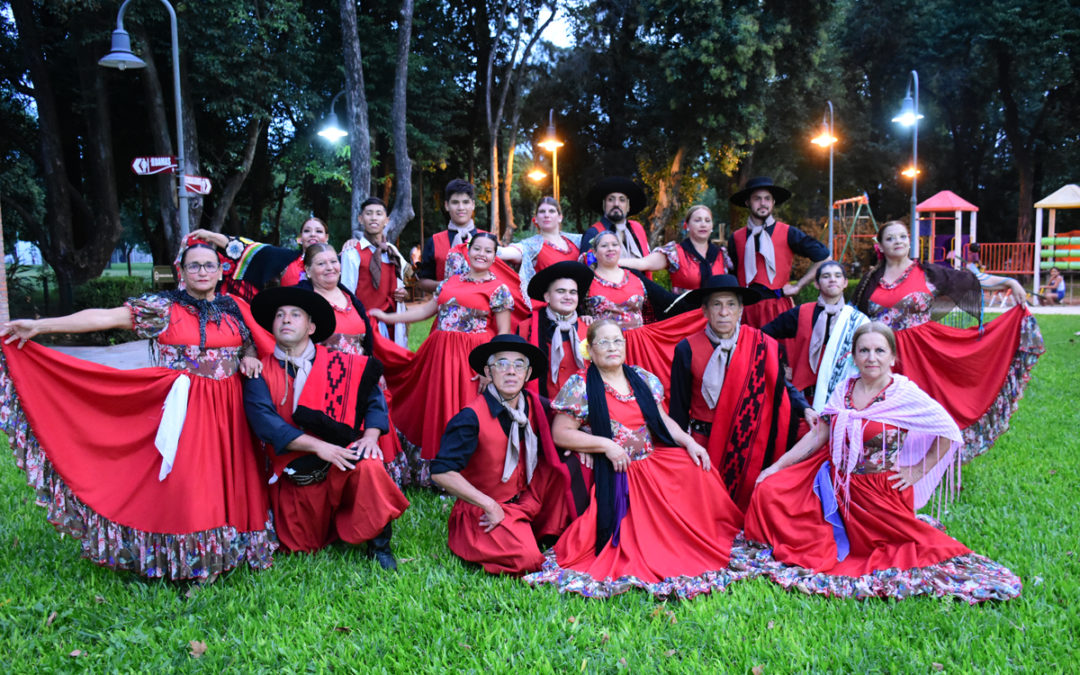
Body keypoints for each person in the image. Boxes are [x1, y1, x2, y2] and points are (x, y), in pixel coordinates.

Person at [0, 242, 275, 581]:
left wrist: (248, 353)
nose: (202, 272)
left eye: (209, 266)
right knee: (190, 484)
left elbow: (252, 338)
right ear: (181, 273)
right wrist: (42, 327)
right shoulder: (162, 308)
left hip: (232, 408)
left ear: (221, 273)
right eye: (194, 266)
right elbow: (106, 317)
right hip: (185, 408)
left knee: (230, 477)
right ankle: (190, 561)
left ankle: (233, 550)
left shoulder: (234, 306)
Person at [743, 322, 1021, 603]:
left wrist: (918, 470)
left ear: (892, 357)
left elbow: (948, 431)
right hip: (833, 482)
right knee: (770, 489)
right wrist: (777, 467)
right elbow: (818, 437)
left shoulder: (903, 394)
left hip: (878, 492)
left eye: (879, 350)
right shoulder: (845, 389)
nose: (871, 358)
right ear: (853, 356)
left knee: (906, 550)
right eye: (864, 350)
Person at [524, 320, 746, 599]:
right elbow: (561, 432)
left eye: (617, 341)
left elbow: (662, 420)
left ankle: (708, 533)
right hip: (620, 470)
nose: (612, 347)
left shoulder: (641, 378)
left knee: (697, 468)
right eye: (603, 342)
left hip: (652, 459)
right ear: (590, 350)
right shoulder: (580, 384)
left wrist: (689, 442)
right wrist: (605, 444)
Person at [850, 220, 1045, 461]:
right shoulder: (870, 280)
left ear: (910, 241)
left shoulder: (929, 273)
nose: (898, 242)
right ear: (880, 245)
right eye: (890, 238)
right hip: (880, 357)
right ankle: (884, 463)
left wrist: (1010, 282)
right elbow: (853, 317)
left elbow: (972, 280)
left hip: (923, 354)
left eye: (902, 236)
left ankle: (927, 462)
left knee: (929, 405)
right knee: (884, 410)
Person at [243, 287, 408, 568]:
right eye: (280, 315)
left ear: (311, 326)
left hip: (339, 463)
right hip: (295, 472)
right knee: (302, 547)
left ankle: (380, 545)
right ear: (271, 326)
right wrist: (321, 447)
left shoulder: (339, 362)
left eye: (295, 315)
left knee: (368, 464)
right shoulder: (258, 370)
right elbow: (265, 423)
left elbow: (373, 398)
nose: (286, 320)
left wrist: (370, 436)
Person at [371, 233, 514, 482]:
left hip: (472, 357)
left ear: (495, 256)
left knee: (464, 410)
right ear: (467, 252)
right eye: (477, 249)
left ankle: (464, 473)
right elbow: (426, 311)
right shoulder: (449, 282)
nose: (481, 254)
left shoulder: (498, 289)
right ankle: (435, 472)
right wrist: (387, 318)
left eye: (488, 251)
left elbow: (503, 332)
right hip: (440, 353)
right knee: (438, 407)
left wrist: (489, 368)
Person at [431, 335, 576, 575]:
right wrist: (488, 504)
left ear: (527, 374)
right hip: (487, 510)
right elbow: (441, 472)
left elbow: (569, 419)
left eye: (519, 365)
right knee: (529, 560)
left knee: (573, 465)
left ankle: (538, 528)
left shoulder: (534, 403)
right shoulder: (470, 418)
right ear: (488, 371)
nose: (511, 371)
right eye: (502, 364)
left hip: (526, 497)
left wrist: (585, 444)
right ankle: (512, 534)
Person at [668, 274, 805, 511]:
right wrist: (680, 451)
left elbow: (781, 385)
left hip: (748, 443)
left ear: (741, 310)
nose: (724, 312)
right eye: (717, 305)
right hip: (704, 443)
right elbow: (678, 408)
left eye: (731, 304)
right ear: (705, 311)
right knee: (706, 510)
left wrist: (806, 407)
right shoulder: (686, 348)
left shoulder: (761, 344)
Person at [298, 242, 411, 487]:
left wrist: (372, 370)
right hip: (326, 383)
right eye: (321, 264)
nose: (330, 268)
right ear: (307, 270)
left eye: (333, 262)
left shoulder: (349, 295)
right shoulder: (303, 300)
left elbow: (366, 339)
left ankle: (377, 477)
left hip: (360, 376)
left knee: (371, 422)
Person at [584, 230, 706, 394]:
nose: (610, 249)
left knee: (645, 393)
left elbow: (668, 303)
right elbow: (573, 309)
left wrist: (704, 306)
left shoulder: (635, 278)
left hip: (639, 346)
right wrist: (582, 317)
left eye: (614, 245)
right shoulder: (586, 281)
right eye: (604, 245)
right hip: (606, 347)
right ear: (594, 252)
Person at [414, 178, 531, 322]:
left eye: (466, 202)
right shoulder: (434, 241)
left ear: (473, 205)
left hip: (485, 319)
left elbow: (503, 278)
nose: (461, 207)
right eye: (455, 202)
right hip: (448, 318)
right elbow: (422, 282)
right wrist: (448, 285)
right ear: (446, 205)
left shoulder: (490, 240)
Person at [762, 261, 869, 412]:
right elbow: (763, 335)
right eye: (826, 276)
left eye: (837, 276)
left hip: (844, 400)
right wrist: (780, 364)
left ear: (845, 283)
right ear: (816, 284)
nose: (832, 279)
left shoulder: (857, 320)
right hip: (804, 403)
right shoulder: (800, 313)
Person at [727, 176, 831, 328]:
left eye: (767, 199)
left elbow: (824, 258)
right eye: (757, 199)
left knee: (780, 352)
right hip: (745, 311)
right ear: (747, 202)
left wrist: (798, 285)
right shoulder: (735, 238)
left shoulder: (788, 232)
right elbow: (734, 277)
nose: (763, 203)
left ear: (773, 202)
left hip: (778, 309)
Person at [190, 218, 332, 300]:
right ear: (300, 239)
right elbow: (244, 247)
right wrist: (210, 236)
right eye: (307, 231)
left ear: (326, 238)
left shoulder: (338, 263)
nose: (313, 234)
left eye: (318, 231)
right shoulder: (285, 258)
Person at [517, 261, 594, 401]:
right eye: (561, 291)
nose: (568, 297)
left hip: (585, 406)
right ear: (547, 297)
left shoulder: (591, 328)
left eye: (573, 292)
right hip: (540, 406)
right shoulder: (526, 328)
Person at [339, 197, 410, 347]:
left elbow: (409, 280)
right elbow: (347, 293)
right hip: (365, 324)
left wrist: (405, 293)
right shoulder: (352, 252)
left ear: (386, 220)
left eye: (379, 213)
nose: (373, 218)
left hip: (392, 324)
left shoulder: (392, 251)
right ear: (360, 219)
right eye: (369, 213)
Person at [618, 204, 733, 294]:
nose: (703, 224)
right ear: (686, 225)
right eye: (697, 220)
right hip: (685, 316)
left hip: (716, 317)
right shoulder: (675, 252)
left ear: (712, 226)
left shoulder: (721, 255)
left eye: (707, 220)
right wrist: (610, 262)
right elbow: (643, 263)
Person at [497, 197, 582, 298]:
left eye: (551, 211)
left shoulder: (578, 241)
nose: (546, 215)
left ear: (560, 217)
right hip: (546, 307)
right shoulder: (531, 246)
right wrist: (483, 248)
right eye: (542, 211)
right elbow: (506, 252)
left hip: (577, 306)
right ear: (536, 219)